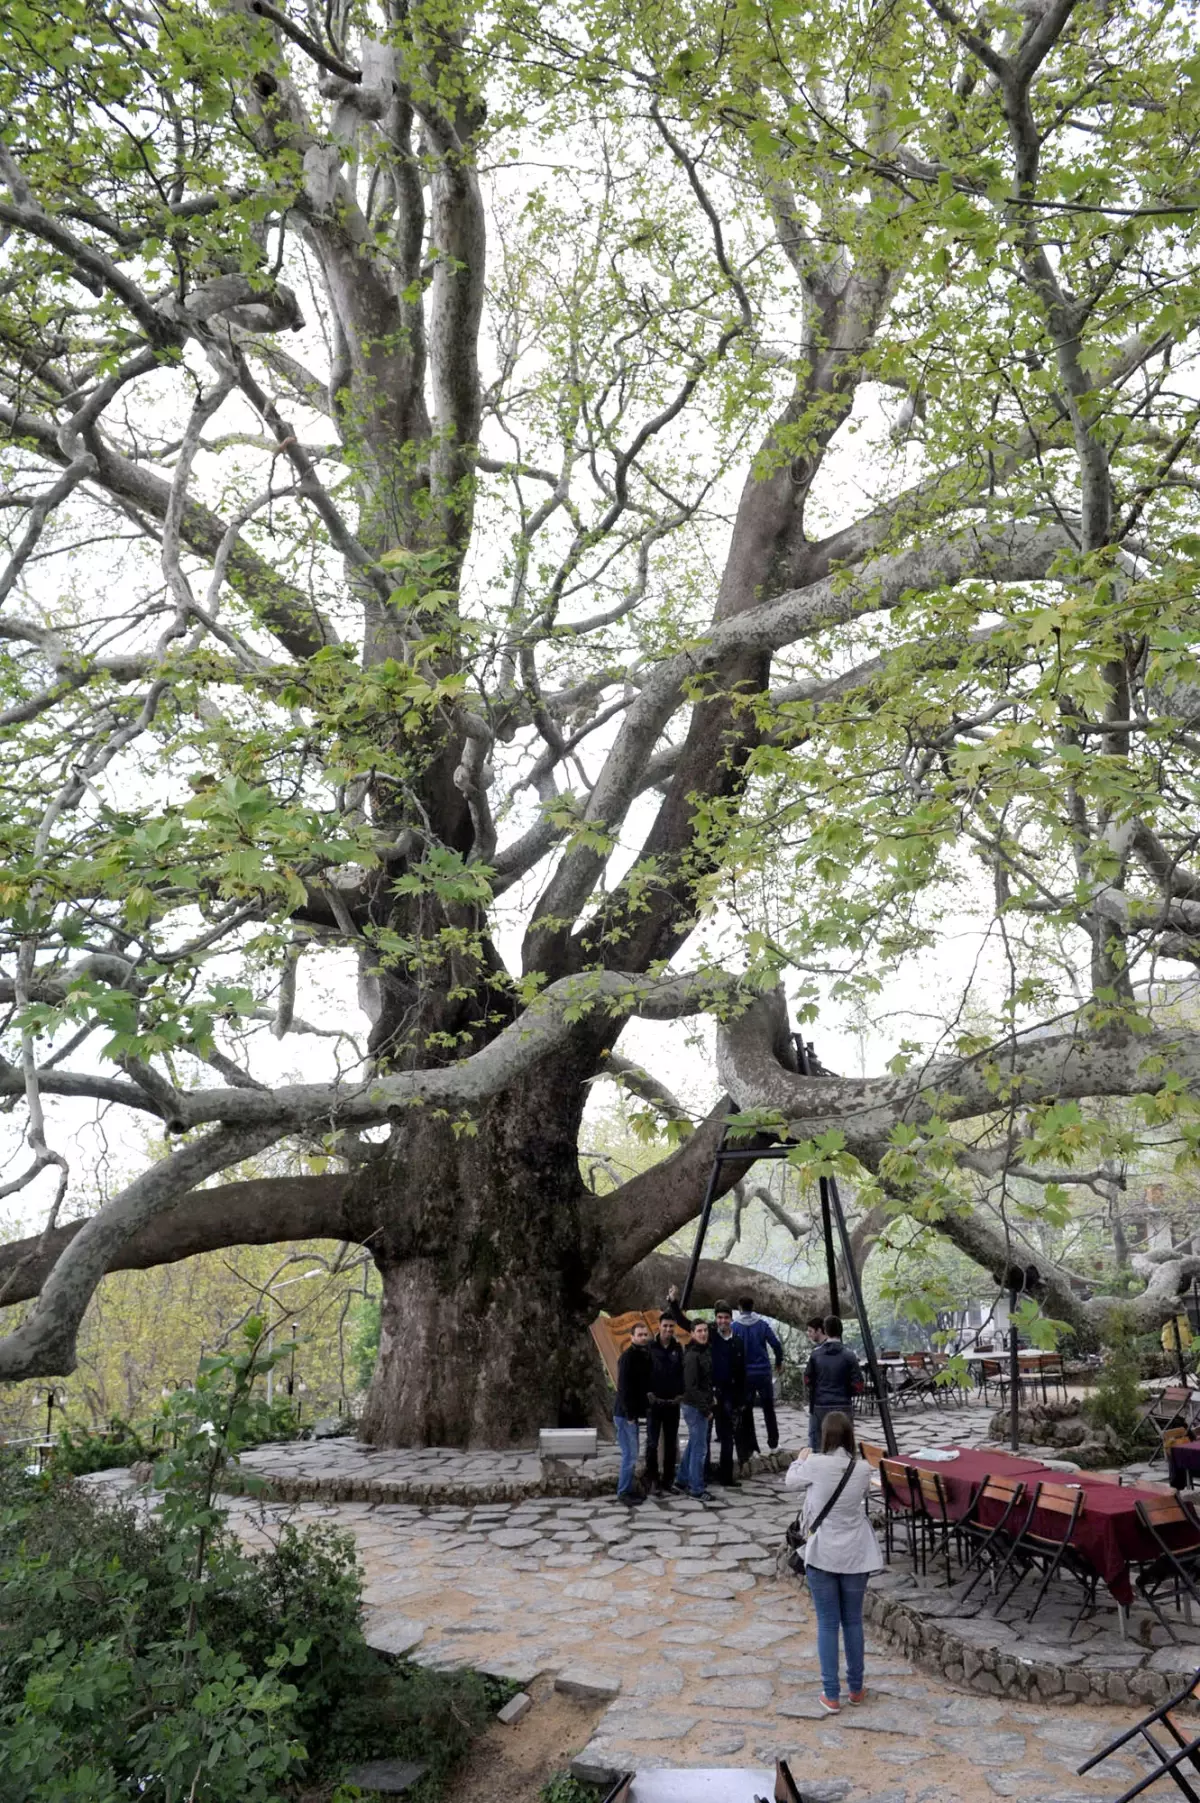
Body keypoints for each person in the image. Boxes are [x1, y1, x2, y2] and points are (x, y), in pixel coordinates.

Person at [784, 1410, 882, 1714]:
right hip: (855, 1552)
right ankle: (856, 1687)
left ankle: (830, 1693)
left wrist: (801, 1458)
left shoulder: (814, 1465)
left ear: (824, 1436)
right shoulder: (863, 1469)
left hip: (823, 1550)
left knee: (828, 1623)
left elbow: (790, 1481)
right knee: (853, 1621)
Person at [665, 1287, 747, 1484]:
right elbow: (686, 1323)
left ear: (731, 1319)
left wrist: (741, 1398)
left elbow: (741, 1371)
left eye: (726, 1317)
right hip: (709, 1393)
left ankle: (726, 1476)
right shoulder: (709, 1334)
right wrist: (674, 1303)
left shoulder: (737, 1342)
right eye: (719, 1317)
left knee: (727, 1436)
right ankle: (704, 1473)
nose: (722, 1321)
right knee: (705, 1436)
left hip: (728, 1395)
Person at [733, 1294, 784, 1453]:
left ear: (740, 1308)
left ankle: (752, 1447)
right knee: (769, 1409)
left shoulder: (735, 1327)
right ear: (752, 1307)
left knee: (747, 1411)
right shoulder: (762, 1325)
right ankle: (773, 1444)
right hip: (763, 1373)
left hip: (745, 1375)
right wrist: (778, 1362)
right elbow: (776, 1345)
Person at [805, 1314, 861, 1451]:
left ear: (825, 1330)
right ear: (841, 1331)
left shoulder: (815, 1354)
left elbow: (807, 1379)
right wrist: (849, 1392)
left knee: (818, 1445)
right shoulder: (849, 1355)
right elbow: (859, 1384)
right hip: (843, 1404)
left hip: (820, 1405)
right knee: (845, 1445)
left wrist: (816, 1391)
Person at [613, 1320, 653, 1504]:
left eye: (646, 1335)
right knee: (630, 1454)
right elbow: (624, 1389)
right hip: (625, 1415)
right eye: (640, 1335)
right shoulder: (627, 1358)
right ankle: (623, 1492)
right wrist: (629, 1415)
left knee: (633, 1453)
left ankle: (628, 1488)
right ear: (632, 1337)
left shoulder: (644, 1355)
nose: (643, 1338)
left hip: (634, 1414)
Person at [645, 1313, 684, 1493]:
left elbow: (682, 1373)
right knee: (652, 1443)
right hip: (654, 1403)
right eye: (665, 1326)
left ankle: (668, 1481)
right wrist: (648, 1393)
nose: (668, 1329)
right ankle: (652, 1480)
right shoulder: (649, 1348)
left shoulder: (678, 1348)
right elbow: (642, 1374)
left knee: (670, 1443)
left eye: (671, 1326)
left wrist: (681, 1394)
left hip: (673, 1403)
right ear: (659, 1327)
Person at [679, 1318, 714, 1499]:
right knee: (700, 1450)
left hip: (701, 1403)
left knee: (694, 1444)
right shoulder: (692, 1356)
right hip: (695, 1407)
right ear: (692, 1334)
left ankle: (682, 1479)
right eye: (699, 1331)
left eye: (705, 1330)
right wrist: (705, 1409)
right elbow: (691, 1387)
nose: (703, 1334)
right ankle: (696, 1488)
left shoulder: (704, 1351)